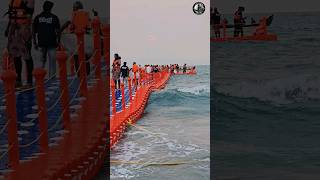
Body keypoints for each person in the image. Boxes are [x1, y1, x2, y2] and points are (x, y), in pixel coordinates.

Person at [5, 0, 35, 88]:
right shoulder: (12, 1)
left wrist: (26, 29)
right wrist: (8, 29)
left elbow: (29, 15)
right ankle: (18, 80)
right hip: (14, 31)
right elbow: (11, 16)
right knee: (16, 56)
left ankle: (29, 81)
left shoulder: (28, 1)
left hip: (24, 30)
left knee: (27, 56)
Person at [33, 1, 60, 78]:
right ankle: (52, 78)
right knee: (52, 62)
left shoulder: (37, 17)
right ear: (51, 8)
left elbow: (33, 31)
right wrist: (59, 41)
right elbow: (58, 31)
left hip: (41, 42)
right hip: (52, 42)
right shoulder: (54, 17)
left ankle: (39, 78)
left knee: (41, 62)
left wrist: (34, 42)